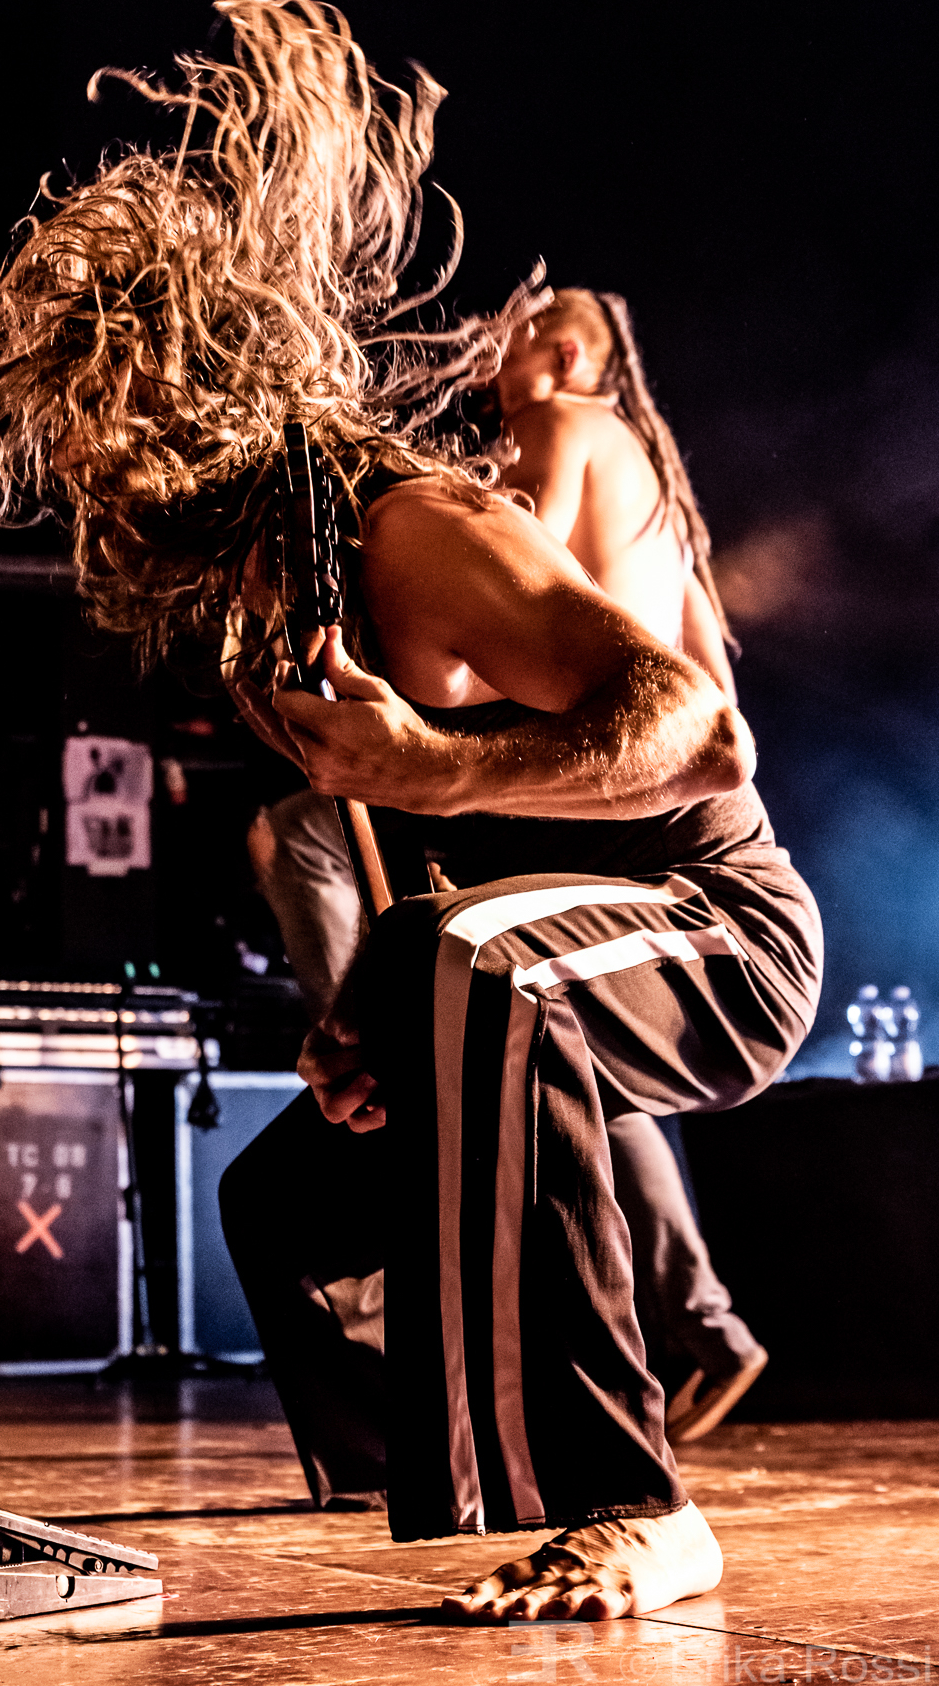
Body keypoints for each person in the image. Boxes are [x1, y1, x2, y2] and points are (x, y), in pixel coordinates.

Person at [0, 0, 822, 1621]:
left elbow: (702, 731)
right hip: (525, 939)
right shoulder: (283, 585)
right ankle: (402, 1474)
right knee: (280, 1195)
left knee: (486, 972)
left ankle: (638, 1505)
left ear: (186, 396)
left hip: (717, 931)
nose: (87, 471)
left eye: (102, 425)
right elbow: (421, 857)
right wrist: (363, 1006)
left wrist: (437, 766)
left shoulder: (413, 527)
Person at [252, 286, 768, 1447]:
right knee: (554, 1057)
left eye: (519, 326)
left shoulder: (559, 426)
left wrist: (445, 745)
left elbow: (588, 633)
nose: (492, 343)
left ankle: (603, 1425)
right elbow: (718, 705)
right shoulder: (660, 496)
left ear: (568, 352)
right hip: (621, 827)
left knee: (305, 842)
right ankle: (698, 1321)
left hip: (618, 822)